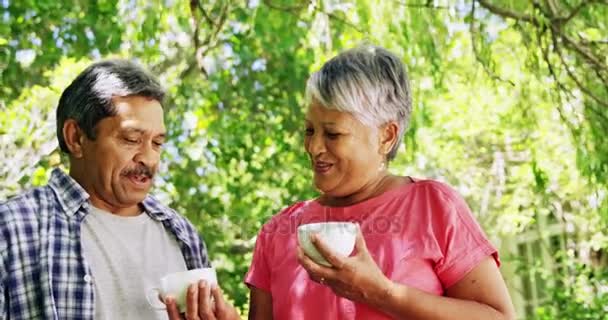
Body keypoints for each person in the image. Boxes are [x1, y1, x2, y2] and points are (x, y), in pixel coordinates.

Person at [245, 45, 516, 319]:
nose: (314, 147)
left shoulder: (434, 207)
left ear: (386, 136)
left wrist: (382, 294)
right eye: (309, 130)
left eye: (332, 134)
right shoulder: (277, 231)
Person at [0, 59, 239, 320]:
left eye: (157, 143)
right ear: (76, 138)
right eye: (131, 139)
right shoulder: (13, 228)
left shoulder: (182, 233)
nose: (148, 158)